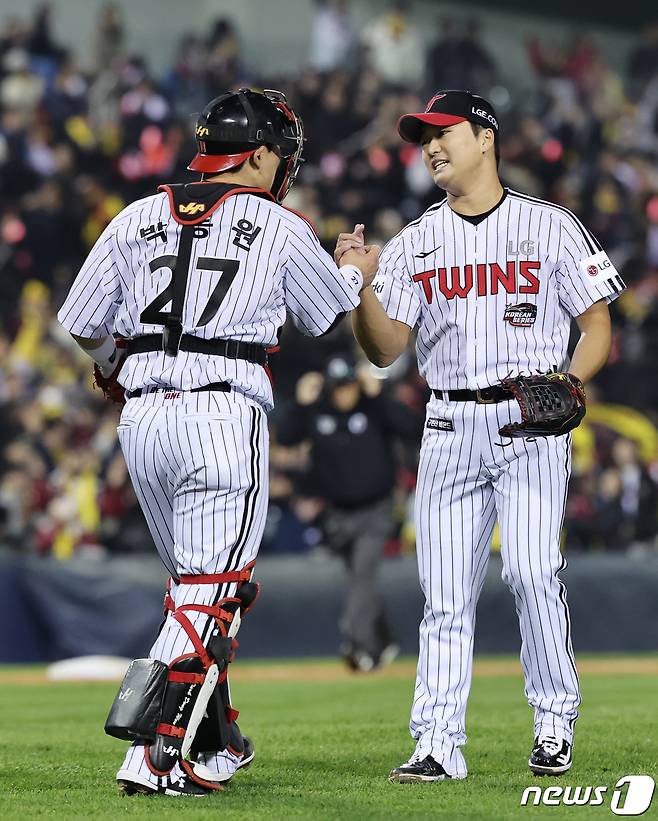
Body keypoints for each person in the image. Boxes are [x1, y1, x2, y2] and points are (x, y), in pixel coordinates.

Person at [57, 88, 379, 797]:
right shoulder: (278, 222)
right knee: (212, 591)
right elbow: (326, 313)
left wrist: (118, 363)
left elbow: (80, 320)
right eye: (280, 155)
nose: (283, 166)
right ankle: (152, 757)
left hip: (143, 419)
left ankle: (212, 738)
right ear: (260, 155)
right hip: (223, 412)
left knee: (192, 591)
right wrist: (358, 268)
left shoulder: (135, 214)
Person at [335, 90, 623, 782]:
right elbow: (385, 350)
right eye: (423, 138)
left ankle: (554, 723)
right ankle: (437, 742)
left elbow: (597, 326)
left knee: (531, 572)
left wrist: (572, 383)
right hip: (447, 424)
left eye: (444, 133)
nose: (431, 147)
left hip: (530, 418)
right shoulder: (413, 240)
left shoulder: (551, 225)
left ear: (485, 137)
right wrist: (364, 290)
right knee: (444, 594)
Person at [277, 354, 420, 671]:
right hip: (337, 514)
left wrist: (378, 394)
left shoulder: (373, 407)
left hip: (377, 509)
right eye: (337, 386)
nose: (343, 392)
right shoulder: (318, 410)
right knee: (359, 579)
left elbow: (410, 428)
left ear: (357, 383)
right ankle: (383, 640)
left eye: (348, 385)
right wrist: (301, 403)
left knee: (362, 575)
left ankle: (358, 647)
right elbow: (287, 437)